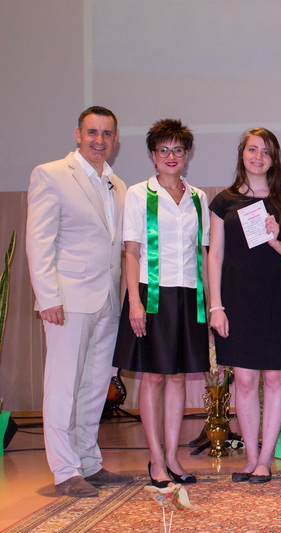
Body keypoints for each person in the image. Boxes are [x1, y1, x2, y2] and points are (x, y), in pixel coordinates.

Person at [26, 106, 132, 497]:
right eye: (92, 132)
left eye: (106, 134)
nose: (99, 140)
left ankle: (89, 462)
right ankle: (65, 469)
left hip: (107, 300)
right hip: (67, 301)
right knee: (63, 386)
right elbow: (39, 241)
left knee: (94, 386)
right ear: (78, 134)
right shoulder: (51, 174)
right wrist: (48, 297)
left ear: (115, 139)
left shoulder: (118, 184)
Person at [113, 119, 210, 488]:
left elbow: (203, 254)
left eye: (178, 150)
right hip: (151, 294)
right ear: (153, 156)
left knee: (178, 378)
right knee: (153, 377)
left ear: (187, 156)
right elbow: (131, 252)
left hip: (188, 294)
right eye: (163, 150)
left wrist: (211, 303)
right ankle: (155, 457)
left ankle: (172, 456)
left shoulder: (198, 197)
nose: (171, 156)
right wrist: (134, 303)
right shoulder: (139, 194)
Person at [208, 128, 281, 483]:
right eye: (252, 150)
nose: (258, 157)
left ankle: (266, 459)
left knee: (276, 378)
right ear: (242, 154)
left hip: (277, 296)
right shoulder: (223, 201)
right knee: (245, 380)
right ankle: (250, 458)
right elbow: (214, 255)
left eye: (265, 151)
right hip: (236, 298)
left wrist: (275, 238)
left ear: (274, 158)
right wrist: (215, 306)